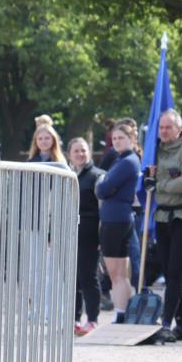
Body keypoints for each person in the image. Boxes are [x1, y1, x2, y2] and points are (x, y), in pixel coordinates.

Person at [148, 109, 182, 345]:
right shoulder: (155, 151)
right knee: (169, 271)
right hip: (162, 217)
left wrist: (160, 184)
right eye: (160, 127)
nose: (163, 131)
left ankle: (166, 322)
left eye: (168, 127)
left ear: (178, 129)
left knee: (175, 271)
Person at [94, 123, 141, 323]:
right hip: (117, 217)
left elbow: (102, 190)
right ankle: (124, 311)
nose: (116, 141)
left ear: (131, 139)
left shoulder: (127, 161)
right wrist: (105, 185)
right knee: (121, 272)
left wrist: (104, 186)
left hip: (115, 219)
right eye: (114, 138)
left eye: (121, 137)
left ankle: (120, 313)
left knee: (116, 273)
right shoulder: (121, 160)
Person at [68, 138, 104, 336]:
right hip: (69, 234)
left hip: (90, 233)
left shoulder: (98, 176)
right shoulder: (66, 175)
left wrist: (101, 236)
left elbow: (102, 210)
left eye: (83, 150)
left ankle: (92, 319)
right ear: (69, 154)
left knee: (88, 276)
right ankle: (74, 318)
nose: (80, 154)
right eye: (76, 151)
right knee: (73, 279)